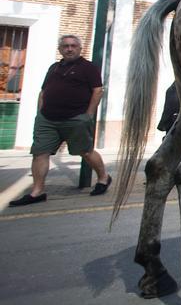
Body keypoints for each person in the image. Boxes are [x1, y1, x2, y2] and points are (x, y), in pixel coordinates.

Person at [9, 35, 111, 207]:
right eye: (65, 46)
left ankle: (103, 178)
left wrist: (88, 115)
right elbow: (43, 92)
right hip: (47, 119)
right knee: (40, 153)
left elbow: (98, 90)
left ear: (79, 49)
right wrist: (40, 113)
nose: (69, 49)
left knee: (85, 151)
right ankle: (37, 191)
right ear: (60, 49)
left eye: (73, 46)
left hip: (76, 119)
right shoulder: (54, 68)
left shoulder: (88, 68)